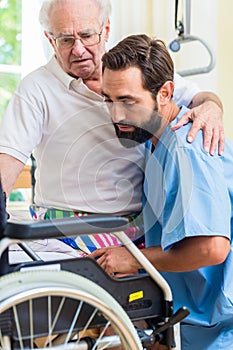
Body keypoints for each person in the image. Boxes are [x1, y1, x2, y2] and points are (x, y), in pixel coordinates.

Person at [0, 0, 224, 259]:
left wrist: (211, 107)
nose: (79, 49)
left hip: (138, 228)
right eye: (65, 40)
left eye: (86, 35)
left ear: (105, 29)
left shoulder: (136, 72)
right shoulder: (36, 88)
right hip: (66, 228)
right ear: (50, 40)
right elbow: (7, 161)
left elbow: (197, 97)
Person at [90, 34, 233, 350]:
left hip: (221, 330)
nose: (116, 115)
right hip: (193, 321)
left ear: (165, 92)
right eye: (108, 100)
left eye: (128, 101)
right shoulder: (155, 145)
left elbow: (212, 248)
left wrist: (133, 258)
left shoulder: (187, 146)